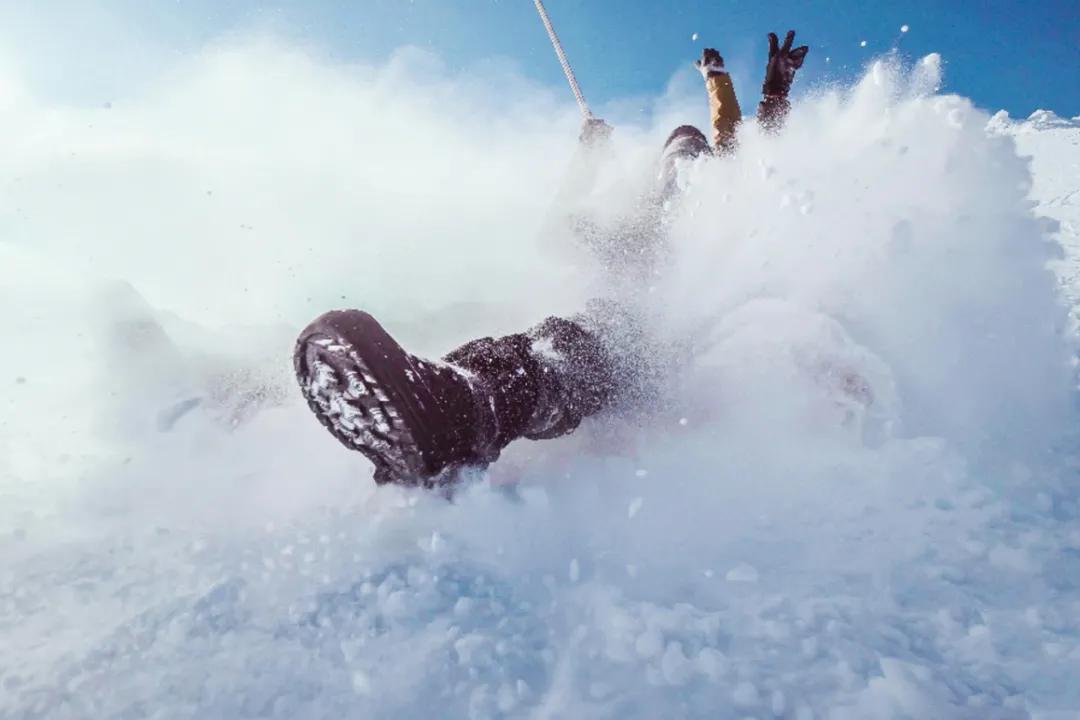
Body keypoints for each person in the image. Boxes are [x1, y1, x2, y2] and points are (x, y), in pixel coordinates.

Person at [294, 32, 810, 487]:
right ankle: (433, 395)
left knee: (576, 344)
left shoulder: (715, 208)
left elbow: (750, 158)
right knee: (539, 336)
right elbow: (557, 233)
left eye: (691, 156)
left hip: (669, 350)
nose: (681, 169)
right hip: (613, 340)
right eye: (675, 157)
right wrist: (590, 155)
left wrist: (766, 92)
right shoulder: (635, 228)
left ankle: (462, 416)